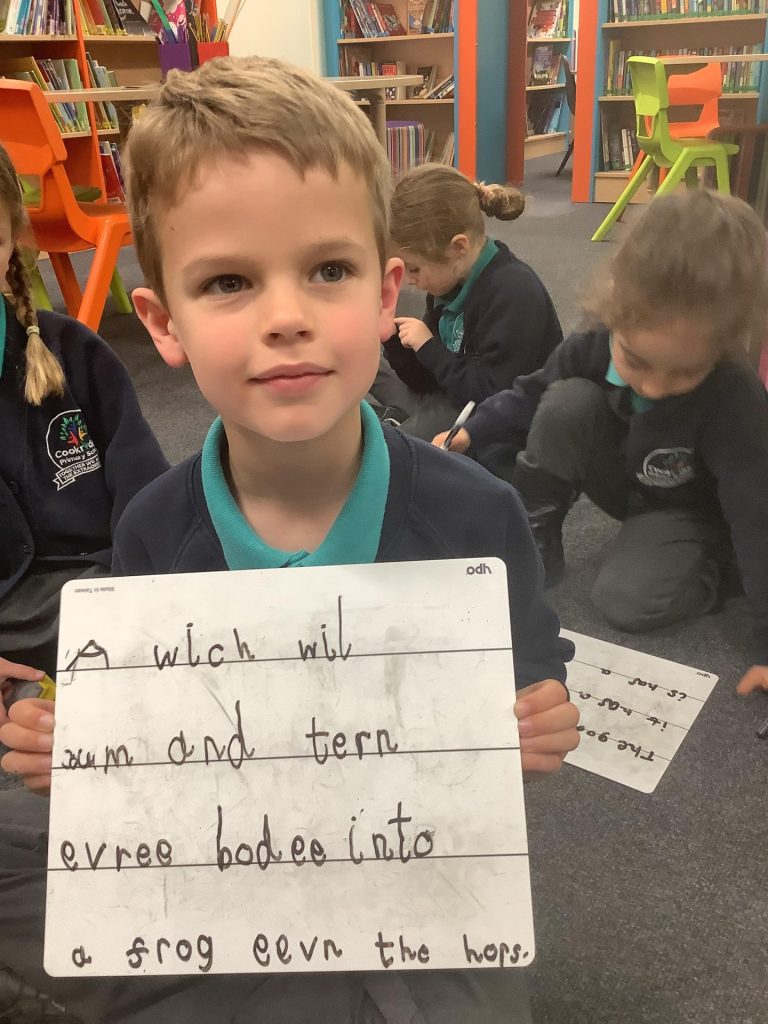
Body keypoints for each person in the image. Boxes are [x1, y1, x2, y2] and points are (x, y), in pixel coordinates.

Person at [0, 57, 579, 1024]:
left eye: (328, 271)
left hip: (415, 883)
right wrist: (84, 753)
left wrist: (535, 716)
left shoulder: (477, 517)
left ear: (387, 294)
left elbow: (531, 666)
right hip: (227, 881)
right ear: (164, 323)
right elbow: (151, 742)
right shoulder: (151, 532)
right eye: (228, 282)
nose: (286, 318)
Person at [434, 189, 768, 696]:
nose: (653, 387)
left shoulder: (735, 397)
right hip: (628, 477)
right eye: (637, 361)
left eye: (683, 373)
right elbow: (531, 393)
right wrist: (472, 430)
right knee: (565, 400)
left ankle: (711, 565)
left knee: (626, 602)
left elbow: (757, 512)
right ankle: (538, 535)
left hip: (689, 508)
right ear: (613, 306)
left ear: (721, 347)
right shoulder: (596, 338)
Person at [0, 143, 168, 680]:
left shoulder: (72, 352)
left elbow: (145, 490)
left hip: (107, 592)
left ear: (12, 240)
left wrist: (132, 591)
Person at [370, 162, 562, 450]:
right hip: (452, 394)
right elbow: (427, 382)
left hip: (495, 422)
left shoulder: (514, 292)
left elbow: (493, 396)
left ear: (458, 247)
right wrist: (395, 342)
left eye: (414, 269)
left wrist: (429, 348)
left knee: (395, 449)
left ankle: (397, 432)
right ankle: (396, 425)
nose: (408, 280)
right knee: (364, 363)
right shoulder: (446, 283)